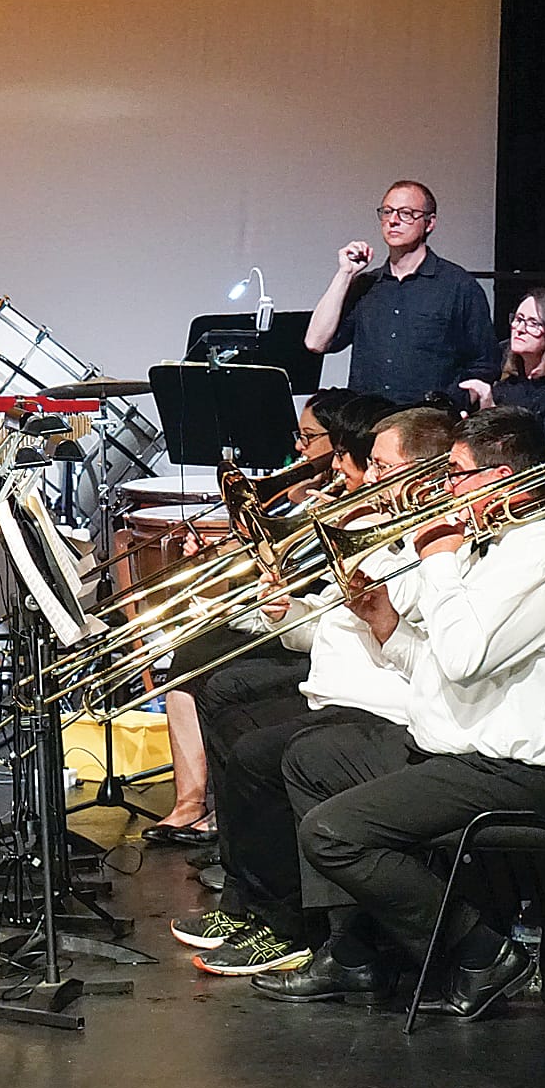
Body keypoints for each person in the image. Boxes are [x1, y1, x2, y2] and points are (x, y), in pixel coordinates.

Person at [256, 408, 545, 1019]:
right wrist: (383, 621)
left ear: (502, 478)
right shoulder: (485, 546)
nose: (440, 488)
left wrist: (436, 557)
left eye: (455, 474)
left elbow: (462, 660)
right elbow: (435, 666)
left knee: (332, 833)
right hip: (454, 748)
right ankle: (354, 956)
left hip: (516, 770)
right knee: (311, 759)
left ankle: (482, 953)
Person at [175, 407, 453, 976]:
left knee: (260, 752)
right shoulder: (386, 537)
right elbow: (329, 628)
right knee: (228, 706)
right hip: (336, 690)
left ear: (420, 476)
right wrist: (289, 610)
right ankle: (248, 904)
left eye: (381, 466)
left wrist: (374, 613)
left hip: (381, 708)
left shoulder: (432, 552)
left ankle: (285, 926)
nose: (368, 477)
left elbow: (409, 647)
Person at [140, 388, 361, 844]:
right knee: (189, 654)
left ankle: (223, 817)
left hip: (310, 633)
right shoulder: (302, 497)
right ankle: (190, 802)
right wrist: (214, 570)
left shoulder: (337, 505)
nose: (299, 447)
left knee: (212, 669)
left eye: (309, 437)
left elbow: (310, 595)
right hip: (288, 618)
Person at [305, 181, 500, 404]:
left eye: (406, 213)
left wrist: (458, 403)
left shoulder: (458, 286)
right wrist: (345, 274)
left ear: (429, 223)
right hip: (367, 422)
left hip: (426, 425)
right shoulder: (367, 284)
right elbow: (316, 342)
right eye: (387, 212)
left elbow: (484, 364)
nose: (393, 220)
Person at [458, 287, 545, 443]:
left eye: (533, 323)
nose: (520, 329)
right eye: (518, 319)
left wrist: (491, 413)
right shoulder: (507, 382)